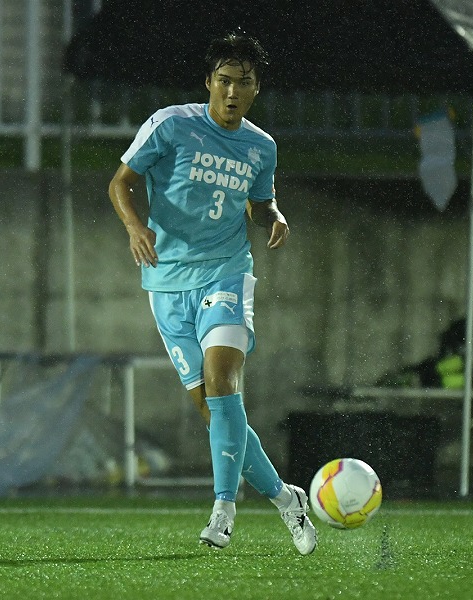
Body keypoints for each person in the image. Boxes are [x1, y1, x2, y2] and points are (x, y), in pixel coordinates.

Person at [107, 33, 317, 556]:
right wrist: (135, 227)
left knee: (224, 383)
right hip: (165, 283)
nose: (232, 91)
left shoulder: (261, 146)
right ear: (208, 82)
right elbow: (120, 183)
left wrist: (274, 216)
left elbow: (260, 202)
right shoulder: (170, 124)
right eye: (224, 80)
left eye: (243, 82)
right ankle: (286, 498)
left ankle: (223, 510)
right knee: (214, 411)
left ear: (256, 88)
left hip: (226, 273)